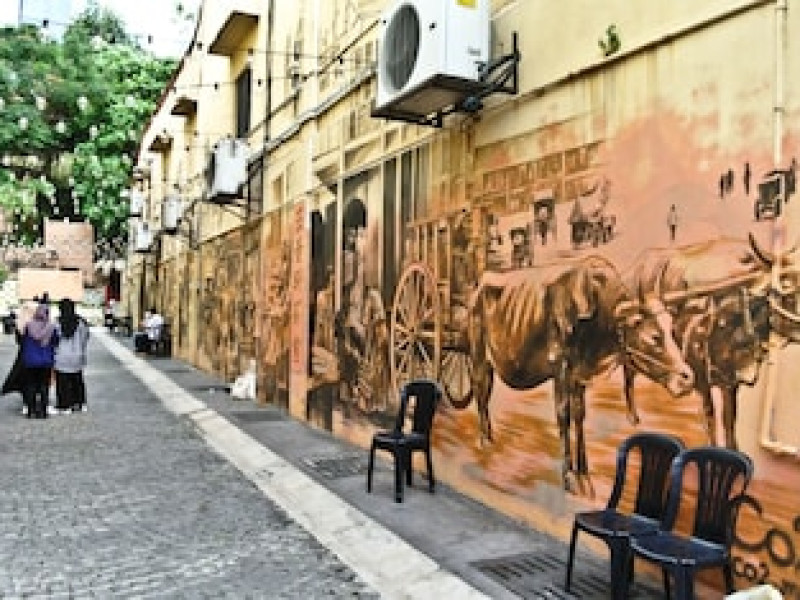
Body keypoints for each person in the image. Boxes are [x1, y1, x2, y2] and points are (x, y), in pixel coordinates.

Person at [20, 302, 57, 419]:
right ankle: (43, 412)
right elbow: (56, 342)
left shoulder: (28, 326)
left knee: (30, 385)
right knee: (44, 386)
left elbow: (22, 340)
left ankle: (31, 411)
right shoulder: (51, 327)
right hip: (46, 361)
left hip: (30, 360)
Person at [53, 298, 90, 413]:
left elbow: (53, 339)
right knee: (77, 380)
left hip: (61, 356)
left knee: (62, 382)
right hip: (77, 355)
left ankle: (64, 405)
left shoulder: (57, 323)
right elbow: (85, 338)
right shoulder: (81, 323)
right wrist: (81, 350)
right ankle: (80, 403)